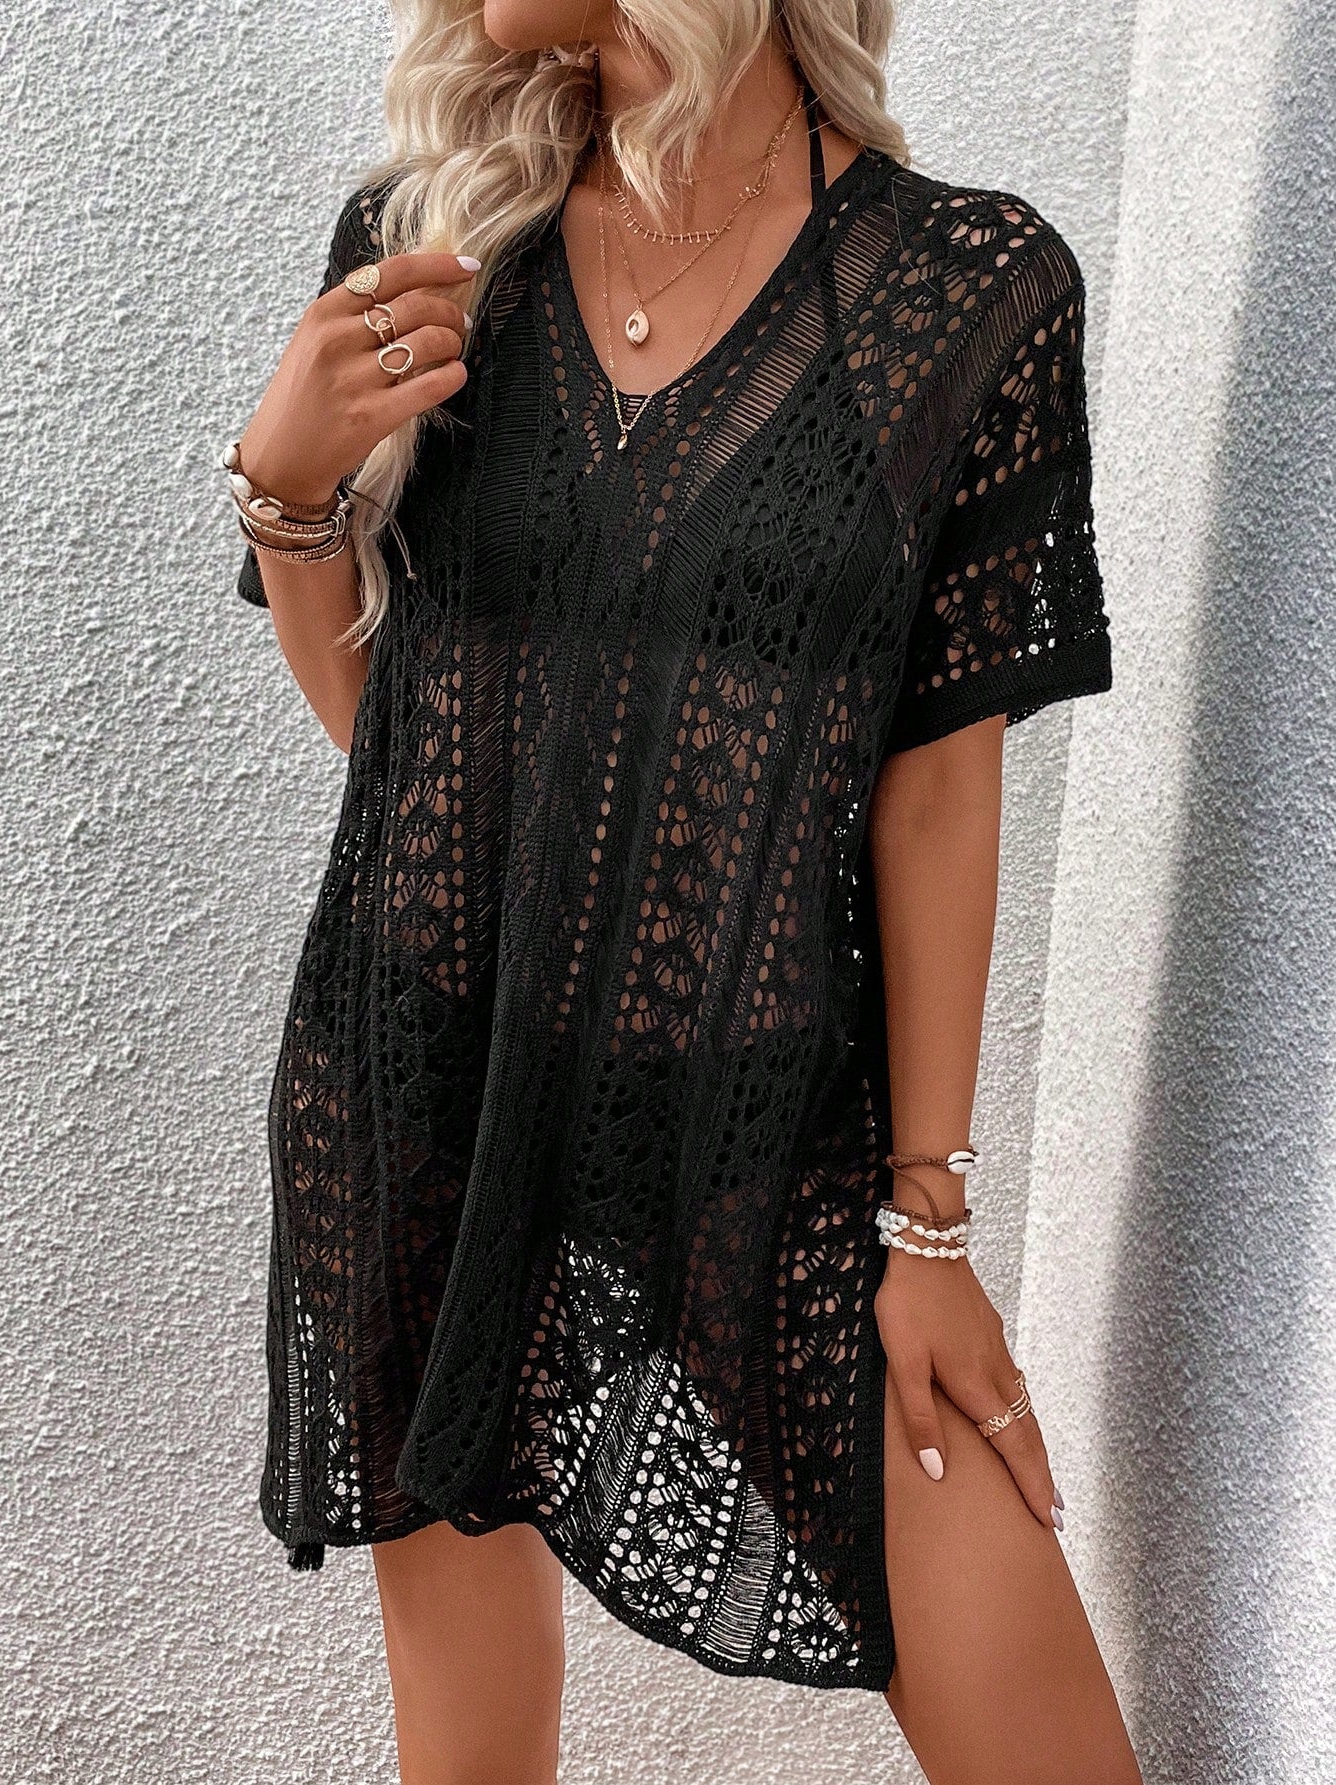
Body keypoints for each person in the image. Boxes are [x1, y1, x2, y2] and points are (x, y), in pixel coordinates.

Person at [224, 3, 1142, 1781]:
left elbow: (939, 786)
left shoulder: (966, 287)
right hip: (429, 1082)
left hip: (760, 1129)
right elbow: (403, 749)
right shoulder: (441, 237)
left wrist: (927, 1225)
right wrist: (287, 488)